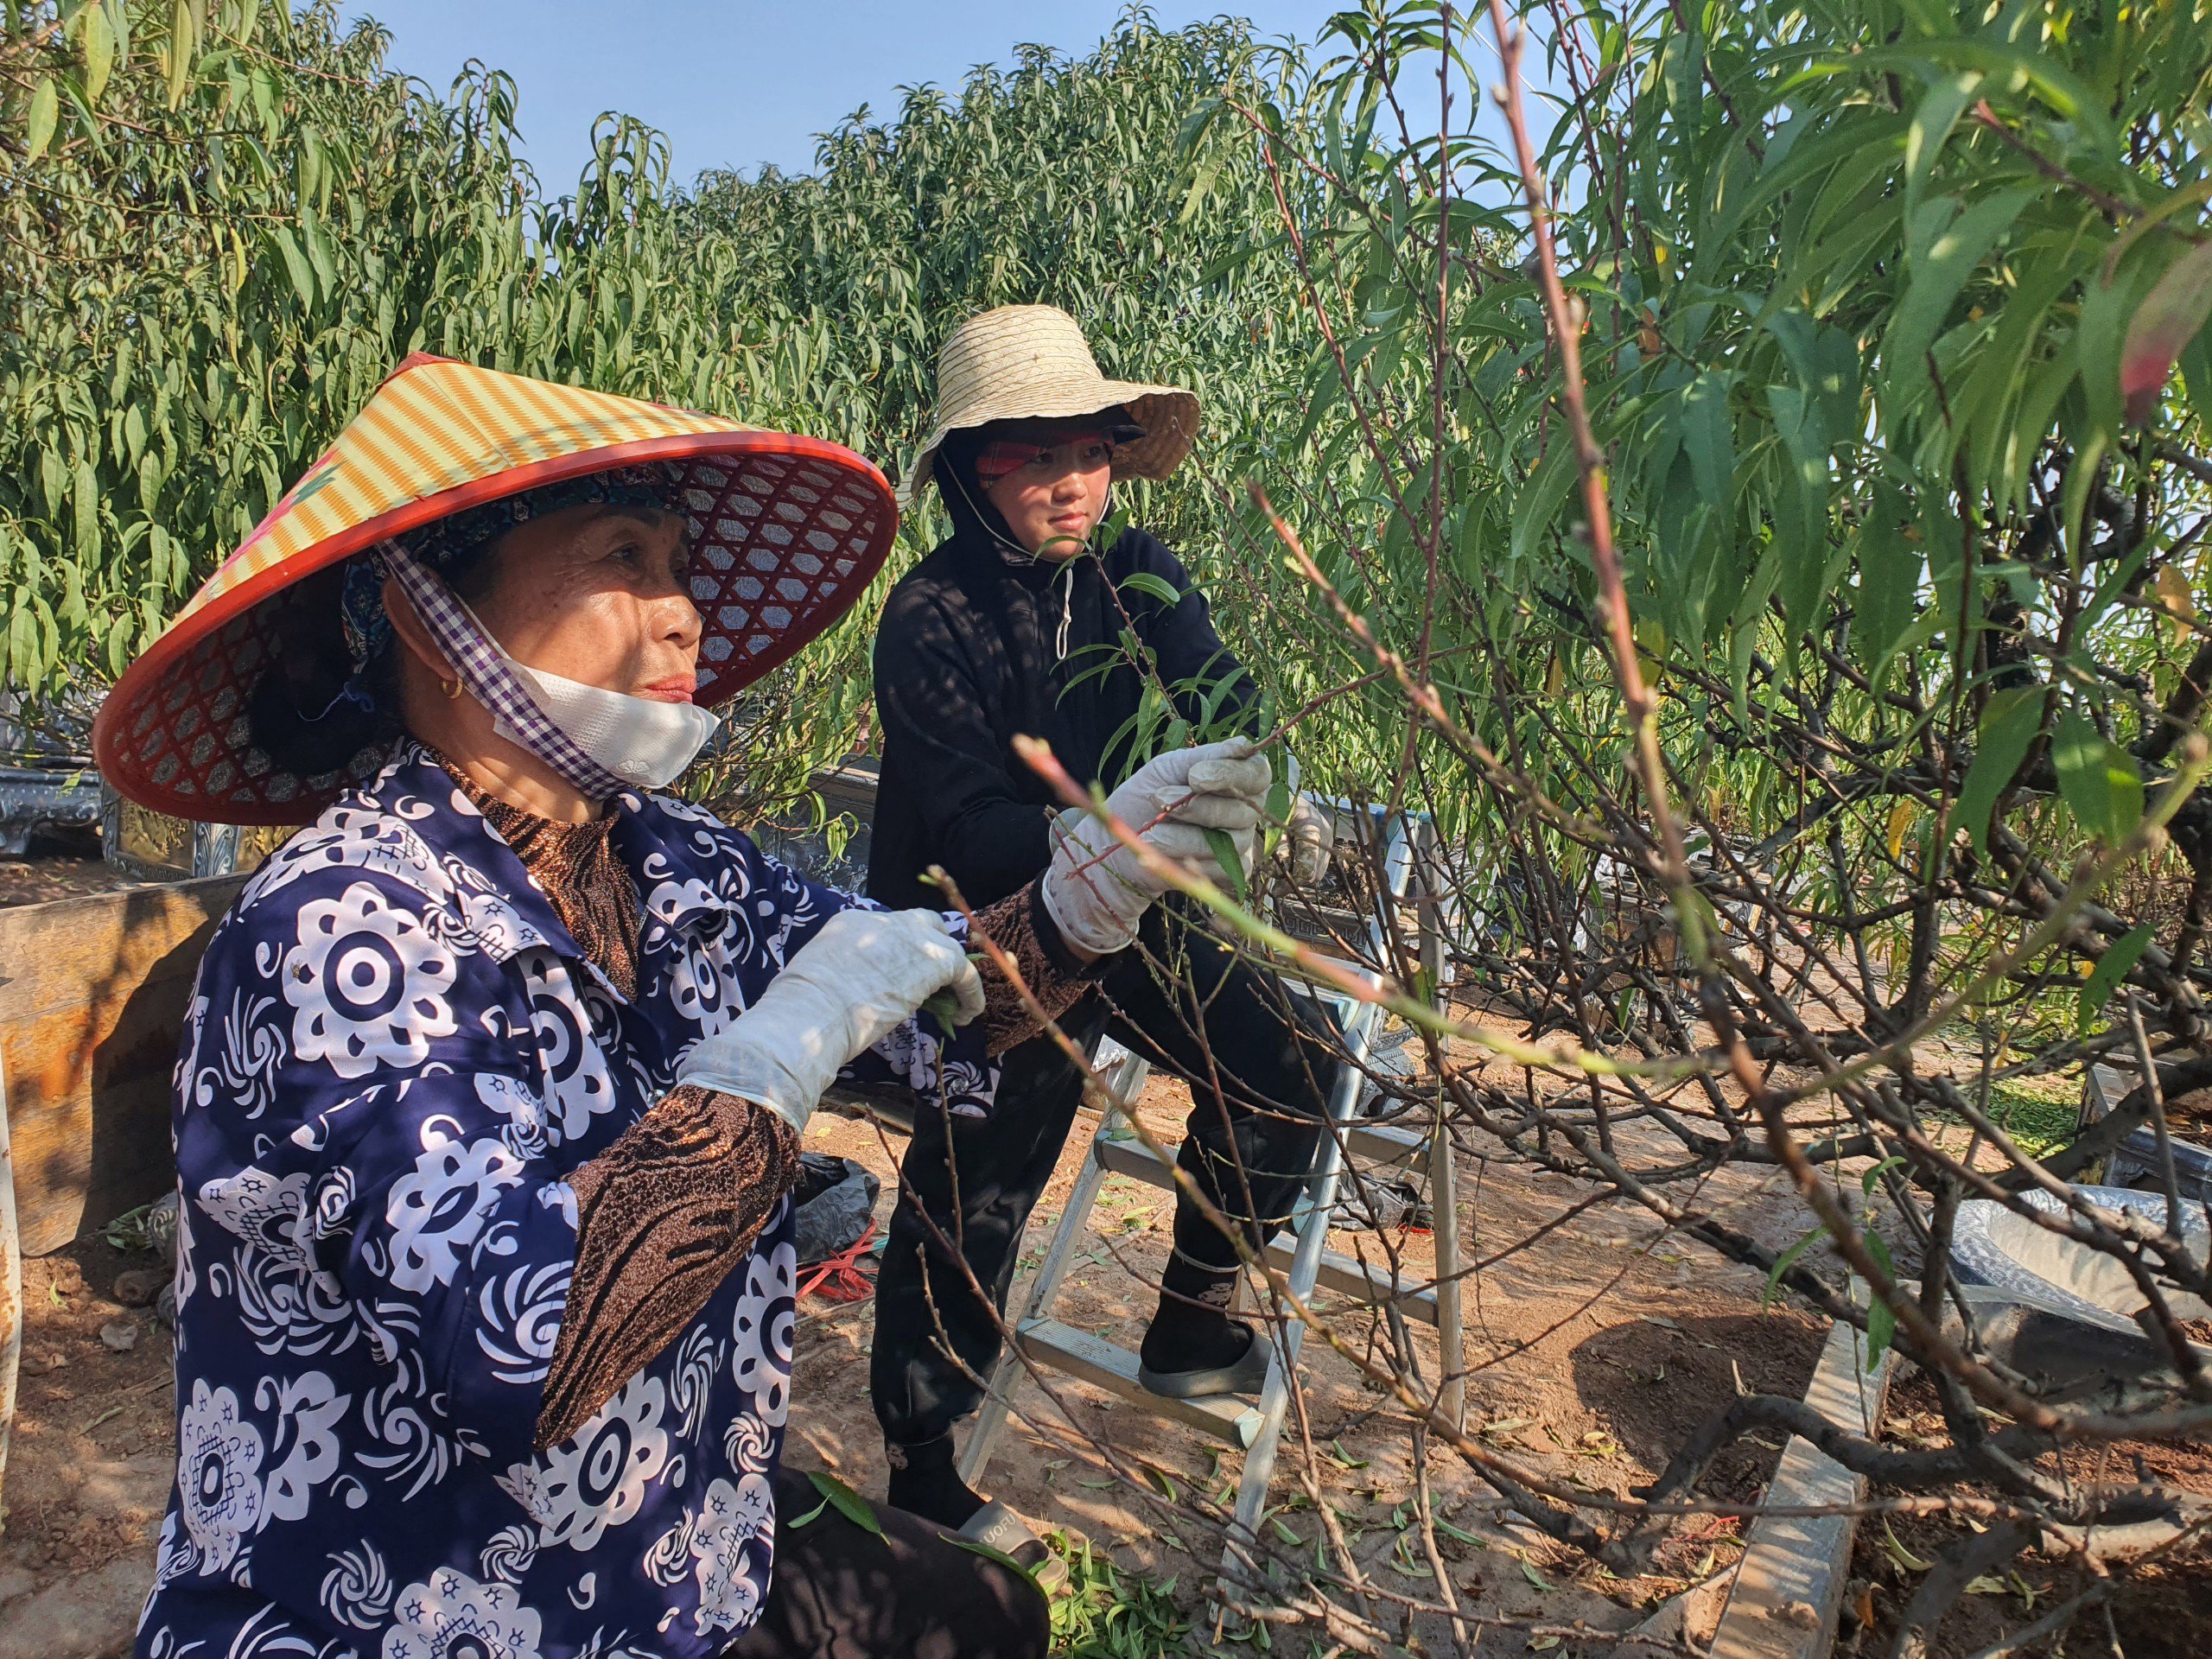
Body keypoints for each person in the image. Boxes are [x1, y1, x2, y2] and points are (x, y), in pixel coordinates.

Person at [94, 355, 1267, 1659]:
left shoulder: (671, 861)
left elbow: (937, 1015)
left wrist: (1082, 901)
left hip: (665, 1538)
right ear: (429, 617)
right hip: (423, 1593)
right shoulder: (342, 930)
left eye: (680, 565)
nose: (684, 616)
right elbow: (521, 1349)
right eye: (625, 559)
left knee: (989, 1617)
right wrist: (762, 1072)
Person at [865, 305, 1341, 1554]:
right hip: (985, 928)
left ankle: (1192, 1316)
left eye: (1092, 450)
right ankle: (924, 1467)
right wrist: (1098, 831)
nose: (1075, 480)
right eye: (1039, 457)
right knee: (979, 1184)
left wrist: (1251, 773)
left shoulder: (1134, 574)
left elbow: (1222, 693)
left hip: (1126, 898)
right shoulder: (930, 616)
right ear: (975, 471)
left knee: (1291, 1060)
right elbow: (968, 827)